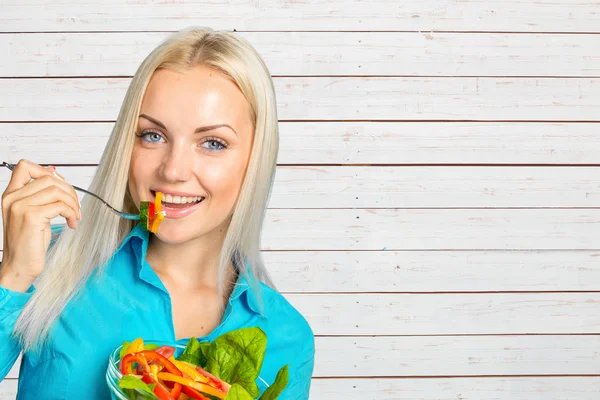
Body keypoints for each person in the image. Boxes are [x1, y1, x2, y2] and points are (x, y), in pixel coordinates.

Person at [0, 27, 315, 399]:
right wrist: (15, 274)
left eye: (212, 143)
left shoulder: (286, 337)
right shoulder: (52, 270)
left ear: (254, 162)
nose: (173, 170)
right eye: (153, 135)